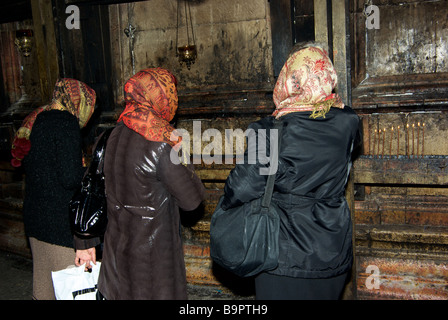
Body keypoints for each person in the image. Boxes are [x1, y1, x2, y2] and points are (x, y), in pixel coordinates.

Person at [219, 42, 361, 299]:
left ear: (290, 80)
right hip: (333, 248)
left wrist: (225, 203)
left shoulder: (269, 130)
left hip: (284, 254)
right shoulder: (350, 122)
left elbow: (243, 186)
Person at [75, 67, 206, 300]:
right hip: (152, 269)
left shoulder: (108, 137)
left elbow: (90, 186)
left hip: (115, 260)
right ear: (161, 97)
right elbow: (192, 201)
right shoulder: (162, 142)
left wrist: (84, 241)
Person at [10, 78, 97, 300]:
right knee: (72, 289)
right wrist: (90, 171)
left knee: (43, 288)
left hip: (35, 221)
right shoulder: (66, 123)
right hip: (59, 225)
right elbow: (69, 178)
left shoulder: (38, 119)